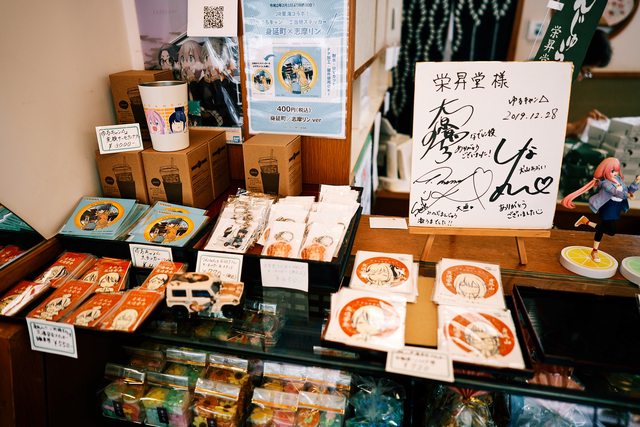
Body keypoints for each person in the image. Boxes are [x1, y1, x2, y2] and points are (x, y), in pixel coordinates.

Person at [561, 157, 640, 262]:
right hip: (608, 207)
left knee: (603, 228)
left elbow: (628, 191)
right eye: (612, 171)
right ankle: (588, 228)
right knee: (611, 231)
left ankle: (593, 245)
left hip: (616, 207)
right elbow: (615, 192)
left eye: (616, 170)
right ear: (606, 171)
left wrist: (635, 183)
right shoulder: (605, 183)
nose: (615, 173)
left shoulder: (619, 179)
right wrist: (627, 195)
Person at [565, 29, 613, 138]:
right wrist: (574, 127)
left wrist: (576, 127)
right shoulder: (540, 75)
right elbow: (536, 129)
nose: (580, 78)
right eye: (585, 71)